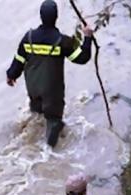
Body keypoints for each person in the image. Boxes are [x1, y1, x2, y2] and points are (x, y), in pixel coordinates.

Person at [6, 0, 93, 147]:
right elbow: (82, 58)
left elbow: (19, 59)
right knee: (54, 121)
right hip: (52, 90)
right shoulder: (62, 41)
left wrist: (11, 75)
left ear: (40, 16)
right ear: (56, 17)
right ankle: (49, 153)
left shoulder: (29, 38)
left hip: (33, 87)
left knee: (37, 115)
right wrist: (88, 38)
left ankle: (32, 147)